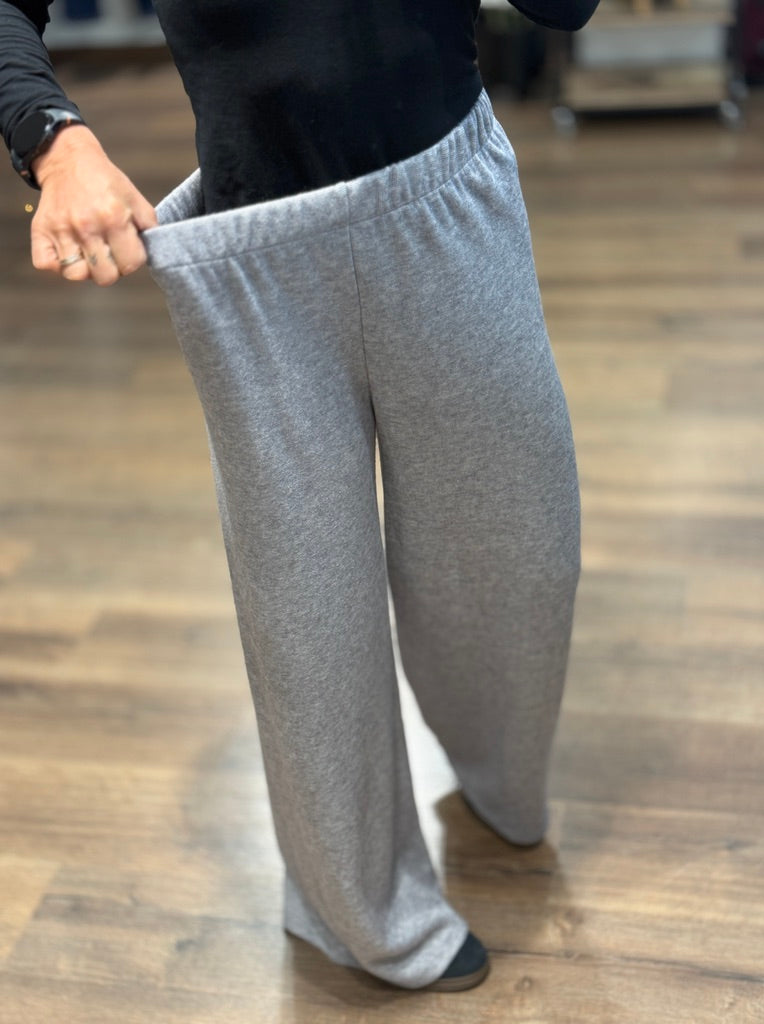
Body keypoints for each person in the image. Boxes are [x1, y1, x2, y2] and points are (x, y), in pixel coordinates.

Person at [0, 0, 598, 993]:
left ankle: (500, 774)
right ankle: (353, 911)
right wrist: (54, 141)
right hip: (255, 250)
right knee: (308, 612)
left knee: (520, 560)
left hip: (446, 189)